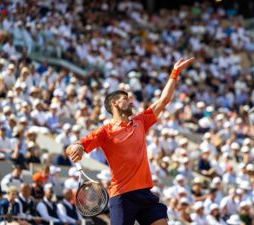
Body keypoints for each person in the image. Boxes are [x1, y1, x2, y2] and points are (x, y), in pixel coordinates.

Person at [66, 57, 195, 225]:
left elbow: (164, 100)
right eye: (125, 99)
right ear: (114, 104)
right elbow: (74, 147)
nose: (130, 101)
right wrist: (76, 148)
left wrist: (174, 72)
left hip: (144, 193)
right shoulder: (105, 131)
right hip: (122, 195)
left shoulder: (140, 121)